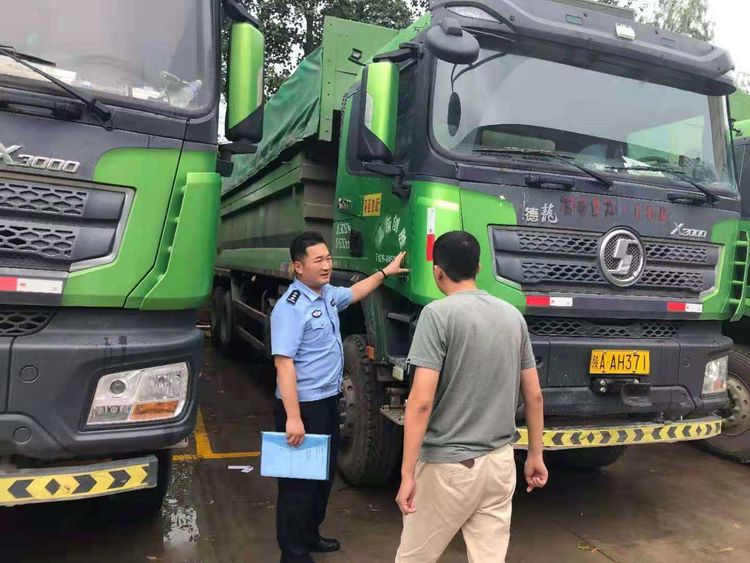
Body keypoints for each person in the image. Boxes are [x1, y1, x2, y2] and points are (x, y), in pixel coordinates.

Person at [395, 231, 548, 563]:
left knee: (414, 558)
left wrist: (407, 473)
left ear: (438, 271)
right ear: (478, 267)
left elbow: (421, 402)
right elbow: (534, 396)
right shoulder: (513, 317)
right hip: (500, 464)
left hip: (449, 467)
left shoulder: (437, 315)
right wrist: (535, 454)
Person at [271, 231, 408, 563]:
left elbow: (355, 292)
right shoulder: (290, 307)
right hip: (302, 405)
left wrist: (385, 273)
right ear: (297, 267)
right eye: (318, 260)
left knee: (322, 477)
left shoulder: (328, 295)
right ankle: (293, 554)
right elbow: (284, 364)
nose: (326, 265)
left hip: (328, 401)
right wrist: (293, 417)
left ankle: (310, 535)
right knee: (297, 485)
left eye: (328, 258)